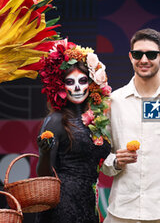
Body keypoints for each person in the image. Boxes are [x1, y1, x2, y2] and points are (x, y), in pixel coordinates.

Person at [101, 28, 160, 223]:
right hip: (122, 210)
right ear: (130, 57)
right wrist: (116, 162)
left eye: (151, 54)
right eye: (138, 54)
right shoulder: (114, 100)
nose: (144, 60)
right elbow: (102, 158)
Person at [35, 39, 112, 223]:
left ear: (91, 83)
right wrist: (45, 153)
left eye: (82, 80)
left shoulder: (96, 118)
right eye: (70, 82)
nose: (77, 87)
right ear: (61, 86)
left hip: (88, 204)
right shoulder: (55, 120)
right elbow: (44, 175)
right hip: (62, 207)